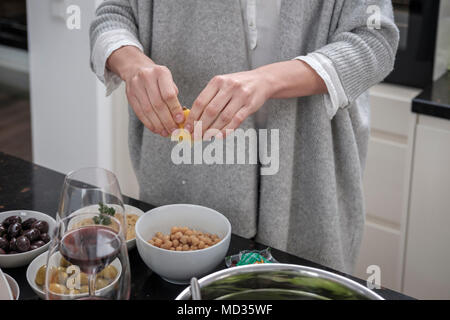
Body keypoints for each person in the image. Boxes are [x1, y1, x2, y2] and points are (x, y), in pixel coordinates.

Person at [90, 0, 398, 273]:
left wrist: (267, 80)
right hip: (185, 177)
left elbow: (375, 40)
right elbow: (113, 15)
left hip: (306, 181)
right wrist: (132, 64)